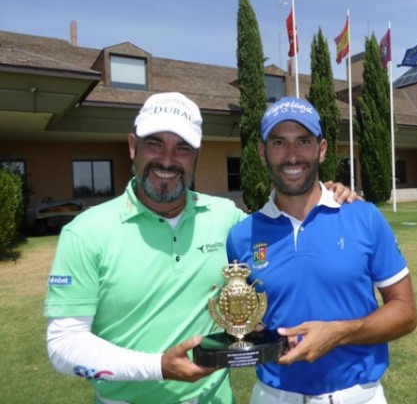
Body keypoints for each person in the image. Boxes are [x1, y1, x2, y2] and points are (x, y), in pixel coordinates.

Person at [44, 92, 356, 404]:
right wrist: (158, 367)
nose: (167, 159)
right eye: (154, 143)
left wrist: (331, 195)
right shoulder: (85, 233)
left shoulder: (227, 218)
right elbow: (63, 343)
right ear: (132, 146)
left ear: (196, 155)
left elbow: (284, 239)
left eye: (182, 148)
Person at [226, 97, 417, 404]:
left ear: (322, 149)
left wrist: (340, 333)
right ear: (262, 153)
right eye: (279, 142)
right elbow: (247, 322)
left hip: (358, 397)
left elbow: (406, 312)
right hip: (274, 396)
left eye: (303, 141)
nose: (292, 155)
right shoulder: (241, 236)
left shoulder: (364, 217)